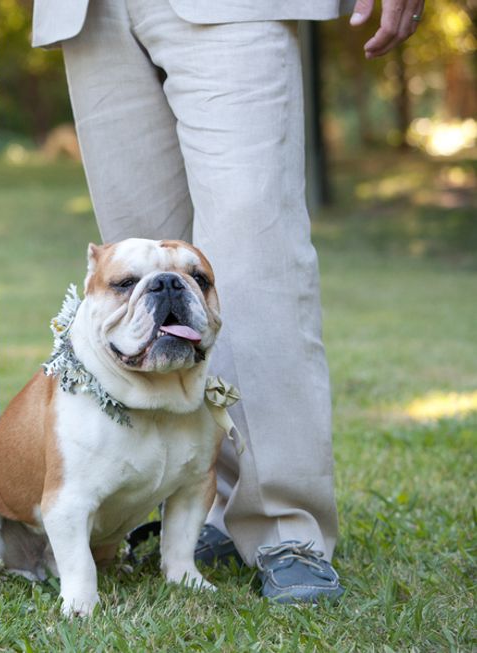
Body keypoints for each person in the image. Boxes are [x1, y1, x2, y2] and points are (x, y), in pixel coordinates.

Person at [32, 0, 424, 604]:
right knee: (141, 279)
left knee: (254, 255)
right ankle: (203, 511)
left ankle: (285, 526)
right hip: (91, 13)